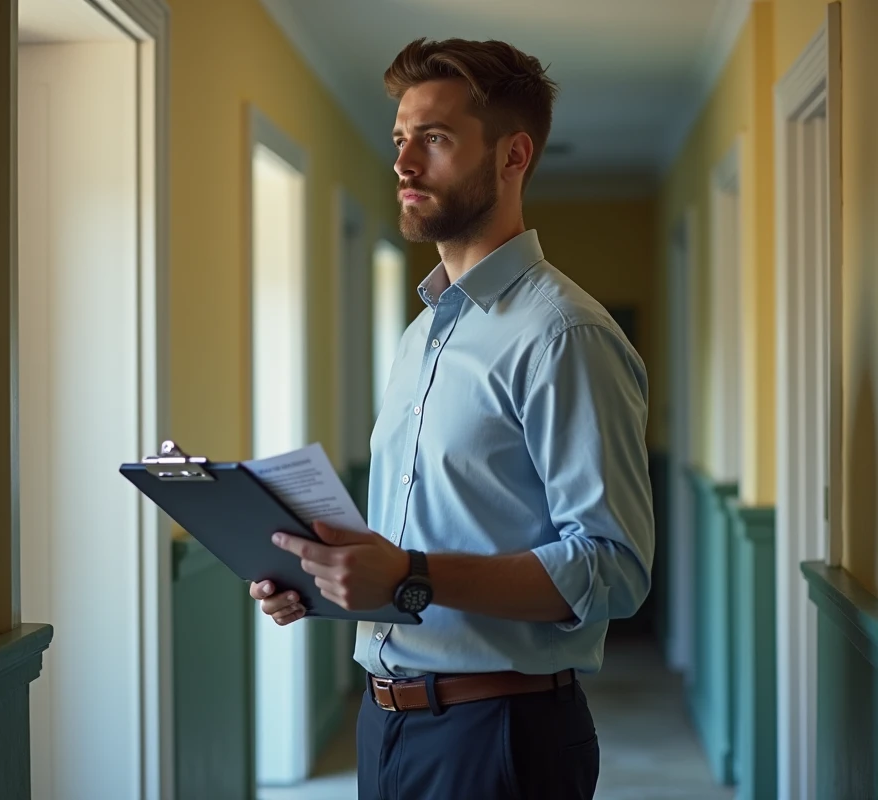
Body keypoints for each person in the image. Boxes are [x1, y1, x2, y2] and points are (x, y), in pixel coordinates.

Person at [249, 36, 654, 799]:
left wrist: (410, 574)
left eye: (433, 140)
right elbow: (425, 560)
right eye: (401, 140)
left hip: (498, 736)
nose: (403, 164)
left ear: (513, 156)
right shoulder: (422, 335)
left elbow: (614, 568)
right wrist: (331, 580)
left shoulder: (565, 334)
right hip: (388, 723)